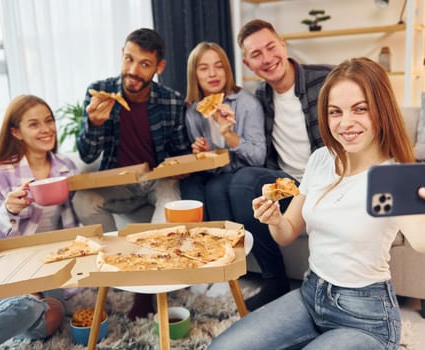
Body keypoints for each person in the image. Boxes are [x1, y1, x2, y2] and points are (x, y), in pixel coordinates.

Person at [208, 57, 425, 350]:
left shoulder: (390, 176)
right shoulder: (320, 160)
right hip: (310, 295)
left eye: (360, 109)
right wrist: (275, 219)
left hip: (366, 317)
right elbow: (287, 233)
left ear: (382, 110)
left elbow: (424, 237)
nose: (346, 122)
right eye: (335, 112)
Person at [72, 28, 191, 320]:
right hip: (115, 183)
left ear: (159, 67)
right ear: (121, 56)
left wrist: (190, 156)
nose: (133, 71)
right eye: (128, 59)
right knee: (82, 201)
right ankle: (115, 265)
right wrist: (94, 124)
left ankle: (145, 291)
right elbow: (87, 155)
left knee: (169, 195)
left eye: (144, 64)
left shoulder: (172, 102)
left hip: (154, 181)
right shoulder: (99, 91)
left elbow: (179, 153)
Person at [228, 19, 334, 310]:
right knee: (240, 182)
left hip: (325, 178)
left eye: (270, 47)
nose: (267, 58)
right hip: (288, 182)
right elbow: (259, 152)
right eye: (256, 54)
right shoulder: (260, 98)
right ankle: (274, 281)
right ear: (249, 64)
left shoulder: (326, 80)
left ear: (283, 45)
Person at [0, 95, 79, 349]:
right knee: (25, 304)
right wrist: (9, 211)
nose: (46, 129)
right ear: (17, 132)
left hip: (47, 267)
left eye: (49, 121)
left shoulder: (66, 168)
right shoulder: (0, 176)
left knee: (48, 315)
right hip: (3, 266)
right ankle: (1, 309)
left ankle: (4, 314)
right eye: (34, 124)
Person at [179, 41, 265, 220]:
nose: (212, 74)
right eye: (203, 68)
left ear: (227, 70)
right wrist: (202, 154)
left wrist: (228, 134)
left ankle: (230, 243)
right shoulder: (193, 113)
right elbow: (208, 166)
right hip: (215, 174)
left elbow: (258, 158)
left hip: (245, 173)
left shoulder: (247, 103)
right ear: (194, 75)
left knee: (215, 187)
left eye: (219, 67)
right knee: (189, 186)